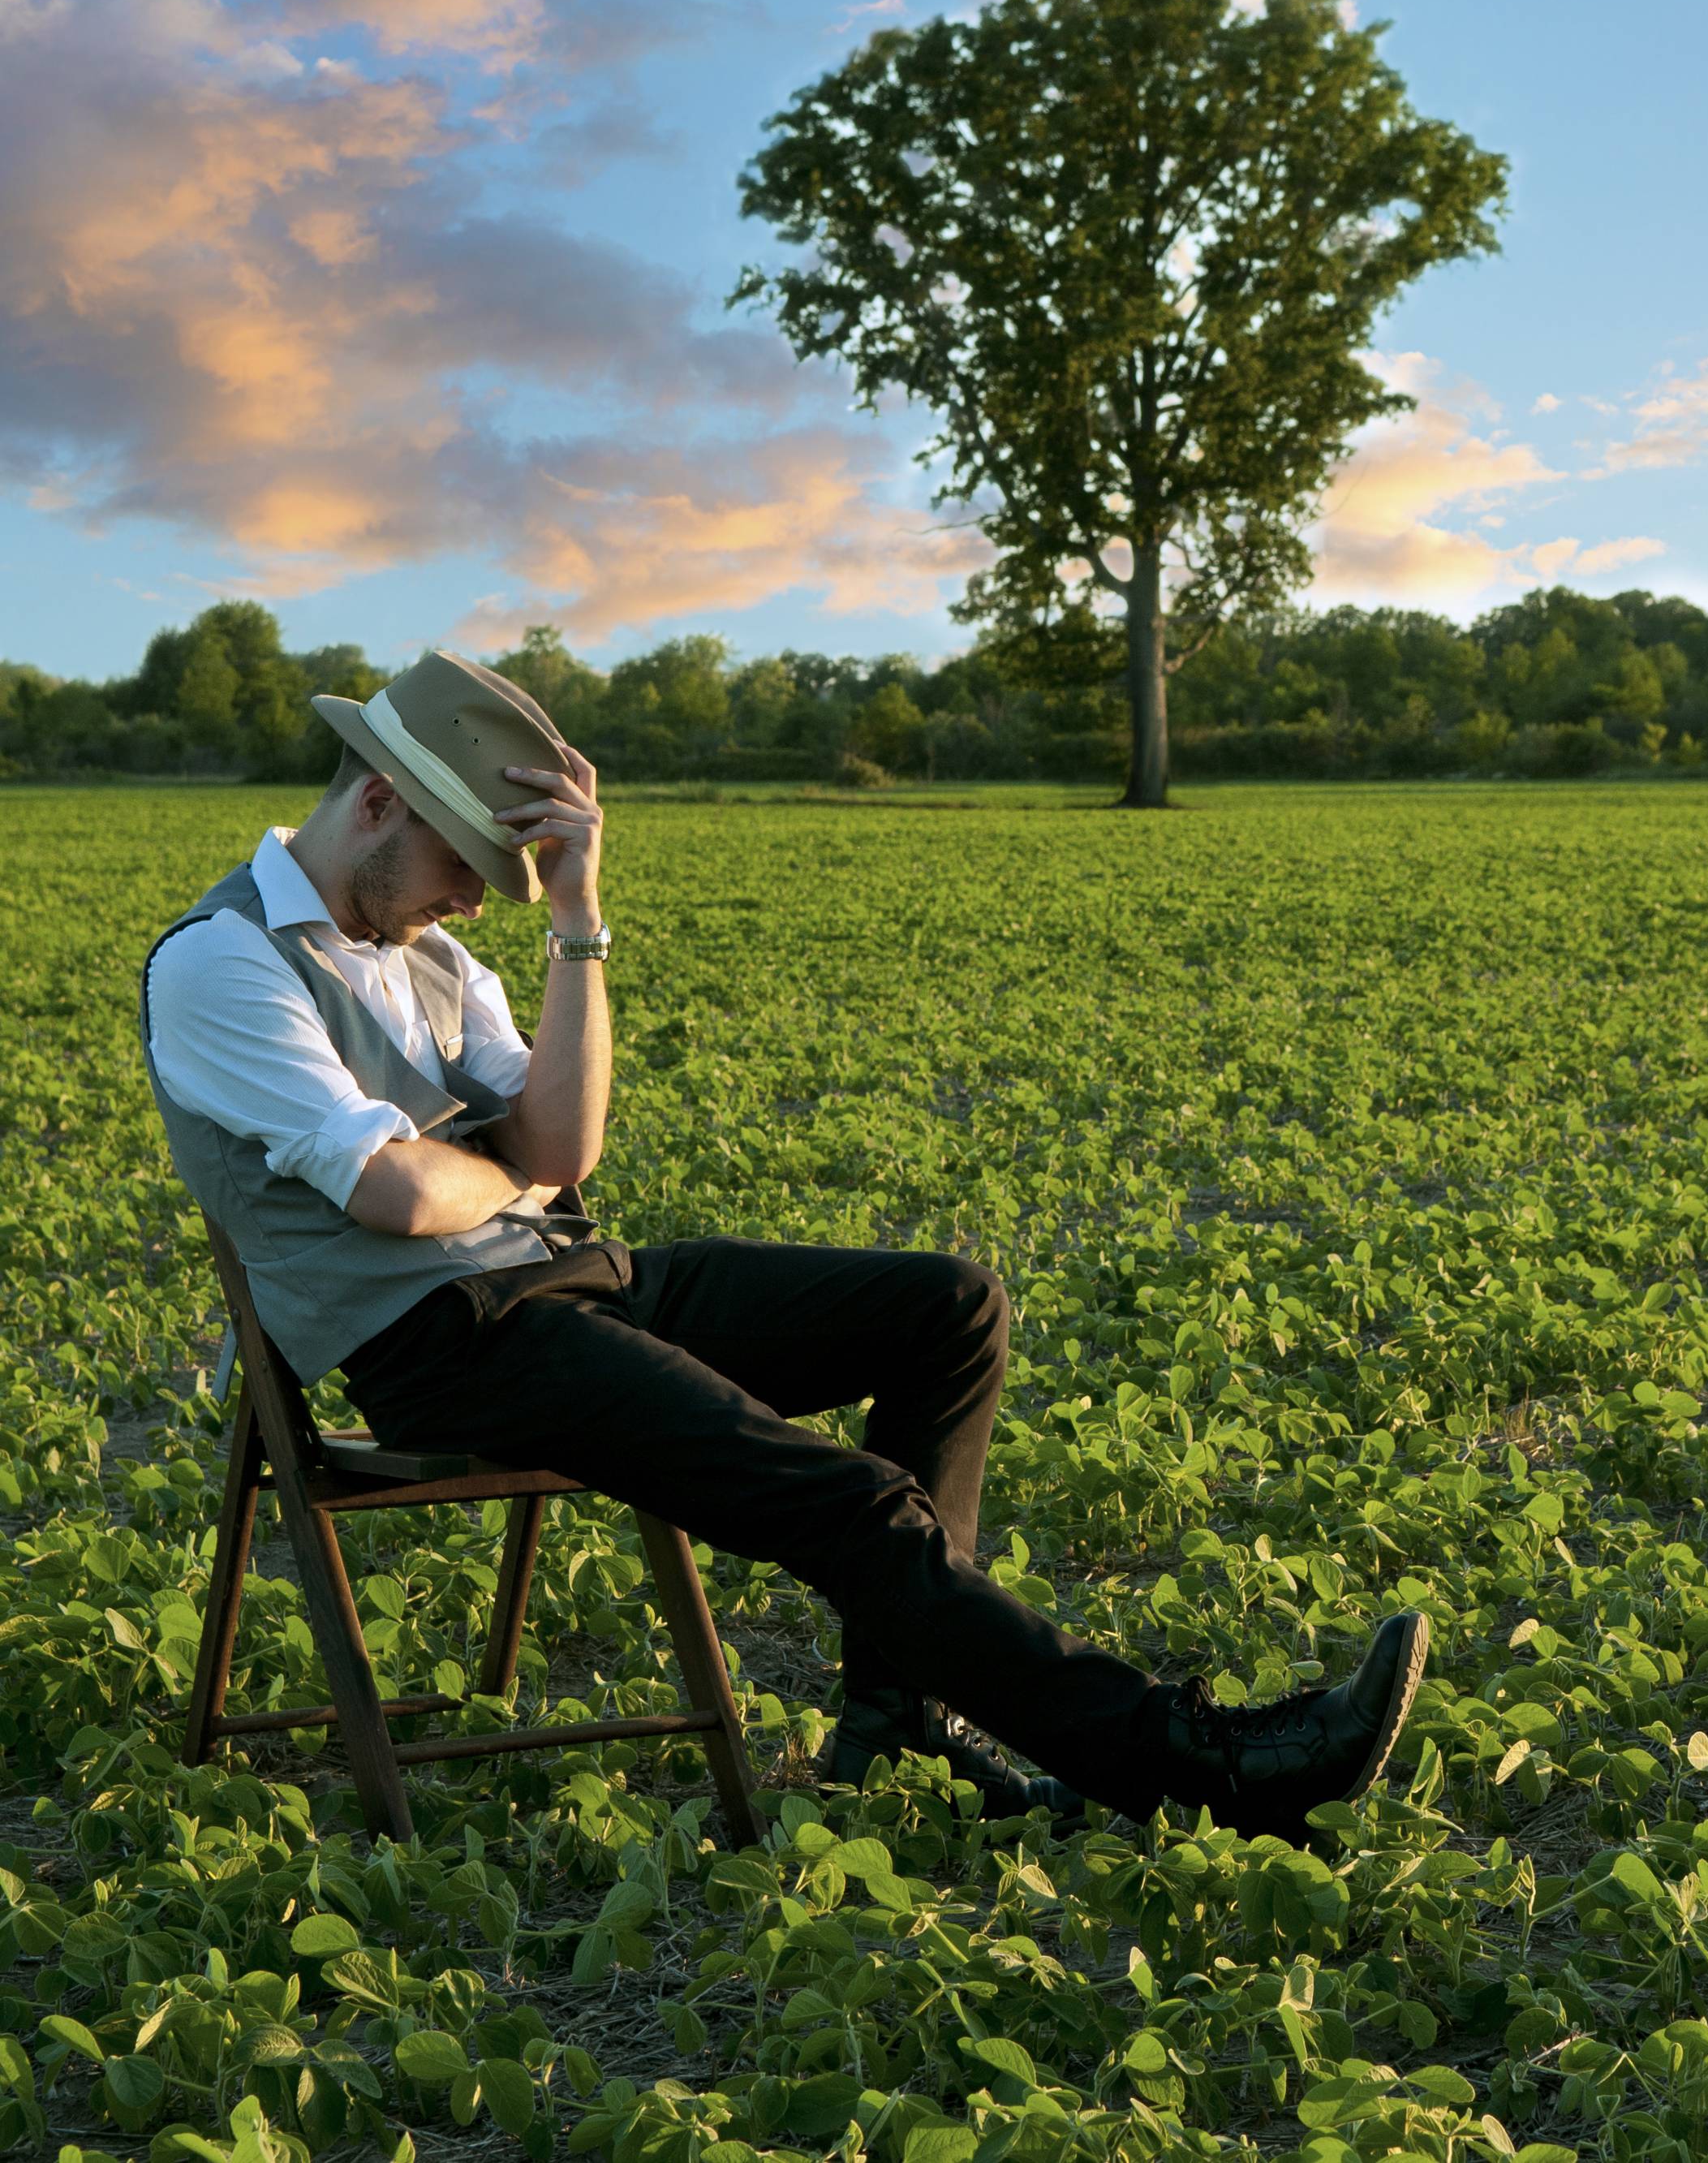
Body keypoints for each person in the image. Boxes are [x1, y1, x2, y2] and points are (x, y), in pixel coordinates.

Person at [140, 648, 1427, 1833]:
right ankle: (1199, 1763)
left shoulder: (432, 958)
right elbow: (393, 1197)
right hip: (444, 1344)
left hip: (573, 1281)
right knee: (847, 1503)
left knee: (950, 1306)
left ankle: (901, 1725)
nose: (476, 901)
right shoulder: (220, 964)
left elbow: (566, 1151)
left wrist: (578, 920)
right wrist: (500, 1169)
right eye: (466, 865)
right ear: (376, 807)